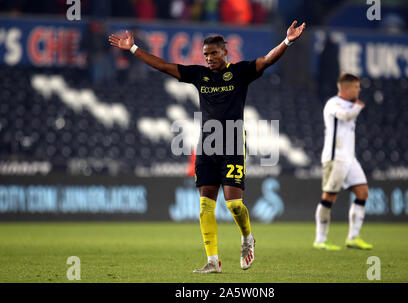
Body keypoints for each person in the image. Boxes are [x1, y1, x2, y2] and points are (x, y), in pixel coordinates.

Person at [108, 20, 306, 273]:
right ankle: (213, 261)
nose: (209, 58)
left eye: (214, 53)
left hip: (233, 141)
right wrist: (134, 48)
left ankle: (247, 237)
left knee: (234, 205)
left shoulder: (240, 72)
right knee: (205, 207)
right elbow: (165, 66)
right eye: (206, 55)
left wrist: (287, 41)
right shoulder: (199, 75)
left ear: (226, 52)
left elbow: (267, 60)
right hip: (207, 145)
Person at [314, 73, 373, 251]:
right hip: (335, 158)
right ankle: (320, 239)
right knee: (329, 197)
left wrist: (356, 107)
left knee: (363, 193)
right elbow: (345, 116)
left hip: (350, 158)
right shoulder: (334, 103)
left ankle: (353, 238)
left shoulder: (352, 104)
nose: (359, 90)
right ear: (346, 88)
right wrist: (357, 107)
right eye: (356, 87)